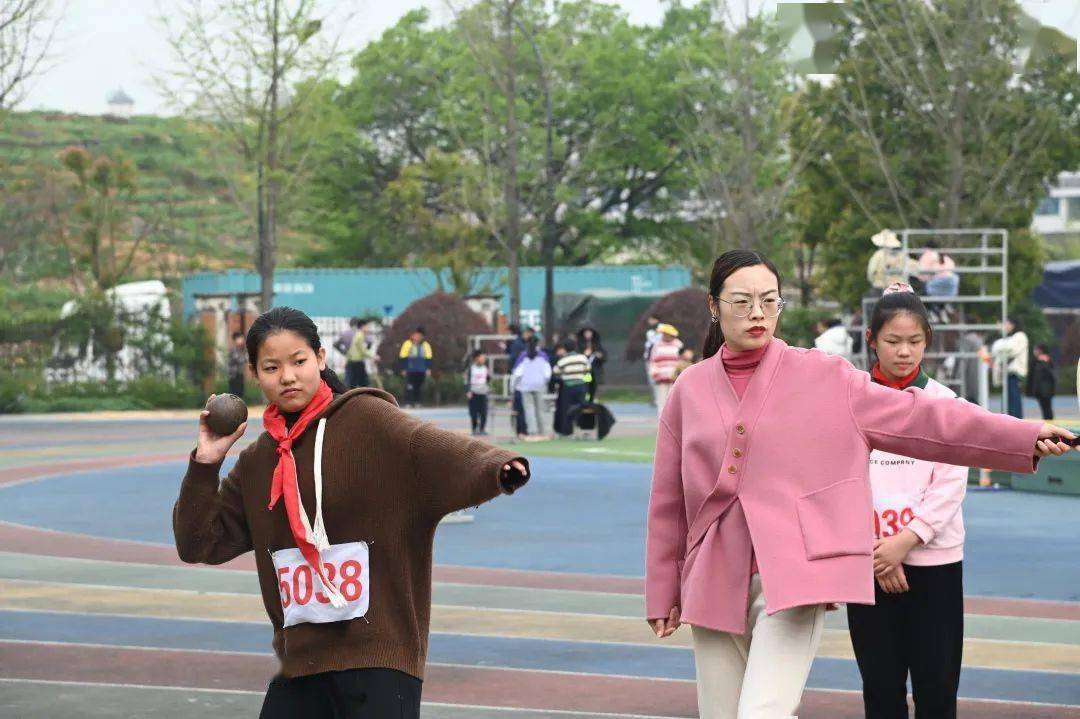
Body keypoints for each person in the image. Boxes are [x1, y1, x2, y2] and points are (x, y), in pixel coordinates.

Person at [645, 250, 1075, 719]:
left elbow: (926, 418)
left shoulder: (824, 376)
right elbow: (668, 501)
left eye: (770, 301)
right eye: (742, 301)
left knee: (761, 714)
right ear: (714, 305)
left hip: (792, 579)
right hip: (711, 578)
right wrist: (663, 588)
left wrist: (1024, 436)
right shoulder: (689, 389)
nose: (757, 314)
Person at [173, 307, 530, 719]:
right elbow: (197, 542)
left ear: (321, 360)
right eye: (272, 367)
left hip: (379, 659)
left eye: (299, 362)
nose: (287, 376)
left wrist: (494, 465)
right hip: (301, 663)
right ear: (255, 373)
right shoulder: (258, 463)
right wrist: (206, 462)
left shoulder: (369, 422)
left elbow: (428, 446)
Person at [846, 283, 970, 719]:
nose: (904, 352)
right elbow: (840, 479)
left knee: (937, 688)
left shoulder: (946, 403)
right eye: (893, 341)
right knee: (880, 689)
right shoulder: (850, 401)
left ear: (928, 343)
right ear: (871, 340)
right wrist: (881, 549)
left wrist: (908, 540)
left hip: (934, 565)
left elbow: (951, 480)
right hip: (870, 565)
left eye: (915, 341)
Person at [511, 337, 552, 439]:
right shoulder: (543, 356)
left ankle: (532, 431)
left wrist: (513, 388)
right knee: (540, 409)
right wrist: (544, 382)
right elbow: (548, 373)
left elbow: (517, 373)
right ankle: (542, 431)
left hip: (526, 385)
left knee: (529, 410)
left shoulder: (523, 356)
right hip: (539, 385)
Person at [991, 316, 1028, 419]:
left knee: (1013, 403)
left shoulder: (1020, 336)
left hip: (1013, 374)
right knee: (1008, 402)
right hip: (1008, 374)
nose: (1004, 326)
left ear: (1013, 325)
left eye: (1006, 324)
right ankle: (1012, 422)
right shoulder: (1011, 337)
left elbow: (1010, 349)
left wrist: (998, 345)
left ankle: (1016, 423)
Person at [552, 339, 590, 437]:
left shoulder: (563, 360)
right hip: (581, 386)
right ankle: (584, 429)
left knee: (567, 409)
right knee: (582, 408)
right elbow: (587, 370)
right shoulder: (583, 358)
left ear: (565, 348)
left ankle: (567, 431)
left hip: (568, 387)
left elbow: (555, 372)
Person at [866, 229, 917, 295]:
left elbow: (871, 272)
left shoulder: (878, 255)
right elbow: (914, 268)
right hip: (901, 288)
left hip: (882, 286)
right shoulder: (902, 255)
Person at [647, 323, 683, 414]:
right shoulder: (657, 345)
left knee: (674, 403)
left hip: (675, 379)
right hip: (661, 379)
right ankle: (662, 425)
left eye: (666, 334)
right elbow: (653, 361)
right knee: (662, 403)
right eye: (663, 334)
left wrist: (680, 375)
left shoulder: (678, 345)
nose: (664, 336)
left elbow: (682, 361)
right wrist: (655, 375)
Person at [398, 327, 433, 408]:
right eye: (416, 335)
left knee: (419, 386)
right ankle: (408, 402)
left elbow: (429, 358)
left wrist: (428, 369)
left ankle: (418, 402)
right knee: (409, 386)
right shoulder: (407, 344)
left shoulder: (425, 345)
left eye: (419, 335)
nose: (417, 337)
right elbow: (403, 357)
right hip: (410, 369)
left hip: (421, 369)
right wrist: (404, 368)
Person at [465, 350, 491, 436]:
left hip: (483, 393)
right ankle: (474, 428)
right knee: (474, 413)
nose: (484, 359)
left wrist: (489, 376)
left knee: (484, 413)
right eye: (482, 357)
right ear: (476, 358)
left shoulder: (485, 368)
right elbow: (466, 381)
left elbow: (488, 379)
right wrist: (468, 391)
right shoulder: (471, 368)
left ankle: (482, 429)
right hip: (473, 392)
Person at [577, 326, 607, 402]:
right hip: (585, 371)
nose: (588, 334)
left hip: (594, 371)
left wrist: (599, 356)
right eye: (586, 332)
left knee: (593, 387)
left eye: (589, 332)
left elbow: (604, 356)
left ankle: (591, 401)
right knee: (585, 386)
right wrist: (584, 354)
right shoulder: (579, 345)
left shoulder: (597, 344)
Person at [1028, 344, 1056, 421]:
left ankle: (1050, 424)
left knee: (1047, 408)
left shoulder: (1047, 361)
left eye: (1035, 350)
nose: (1034, 352)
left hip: (1046, 390)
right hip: (1041, 390)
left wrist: (1045, 361)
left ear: (1040, 351)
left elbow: (1051, 375)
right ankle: (1047, 422)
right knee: (1044, 408)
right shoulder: (1036, 361)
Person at [344, 321, 373, 389]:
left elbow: (351, 349)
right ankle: (366, 397)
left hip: (352, 361)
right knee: (364, 382)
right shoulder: (360, 336)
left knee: (352, 382)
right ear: (363, 327)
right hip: (358, 361)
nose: (368, 328)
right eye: (367, 326)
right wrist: (373, 356)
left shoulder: (357, 335)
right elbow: (362, 350)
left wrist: (347, 359)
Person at [228, 331, 247, 397]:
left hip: (240, 375)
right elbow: (240, 360)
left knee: (240, 393)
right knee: (234, 394)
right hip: (234, 376)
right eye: (239, 338)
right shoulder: (234, 351)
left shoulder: (242, 350)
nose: (241, 340)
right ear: (235, 340)